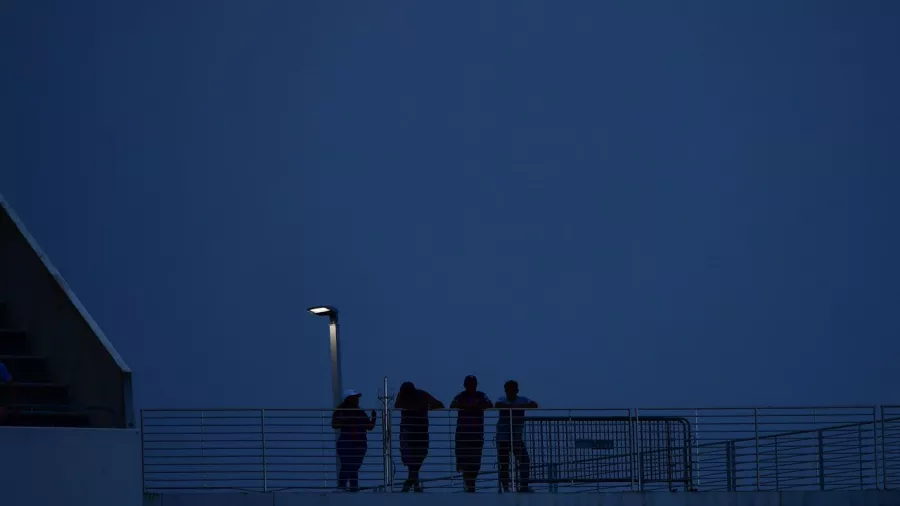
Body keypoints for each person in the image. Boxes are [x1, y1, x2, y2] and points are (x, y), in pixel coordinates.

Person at [394, 381, 444, 492]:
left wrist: (429, 406)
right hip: (413, 433)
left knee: (414, 458)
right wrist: (427, 406)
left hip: (415, 433)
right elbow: (397, 405)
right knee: (413, 459)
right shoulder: (418, 395)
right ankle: (413, 483)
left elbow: (439, 405)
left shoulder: (420, 395)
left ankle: (411, 482)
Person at [450, 375, 493, 492]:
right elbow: (452, 404)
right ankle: (468, 486)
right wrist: (469, 406)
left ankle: (471, 486)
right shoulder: (461, 396)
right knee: (463, 461)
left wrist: (476, 406)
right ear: (465, 385)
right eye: (469, 384)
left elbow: (490, 404)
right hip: (462, 435)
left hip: (476, 434)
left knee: (474, 461)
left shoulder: (481, 395)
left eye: (473, 384)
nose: (471, 387)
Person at [495, 380, 538, 493]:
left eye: (512, 389)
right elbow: (497, 405)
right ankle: (506, 488)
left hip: (516, 438)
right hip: (503, 438)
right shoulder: (502, 399)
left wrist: (515, 406)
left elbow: (534, 404)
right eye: (508, 389)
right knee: (504, 464)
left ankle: (523, 486)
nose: (510, 392)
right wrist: (516, 407)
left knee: (524, 460)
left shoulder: (522, 399)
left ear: (516, 390)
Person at [331, 389, 377, 492]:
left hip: (359, 444)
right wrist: (348, 418)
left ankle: (352, 488)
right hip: (346, 443)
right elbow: (335, 424)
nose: (357, 400)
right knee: (347, 466)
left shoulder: (359, 412)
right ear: (349, 399)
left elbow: (369, 426)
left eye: (357, 398)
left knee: (354, 467)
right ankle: (344, 487)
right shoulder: (342, 411)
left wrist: (374, 418)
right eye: (355, 397)